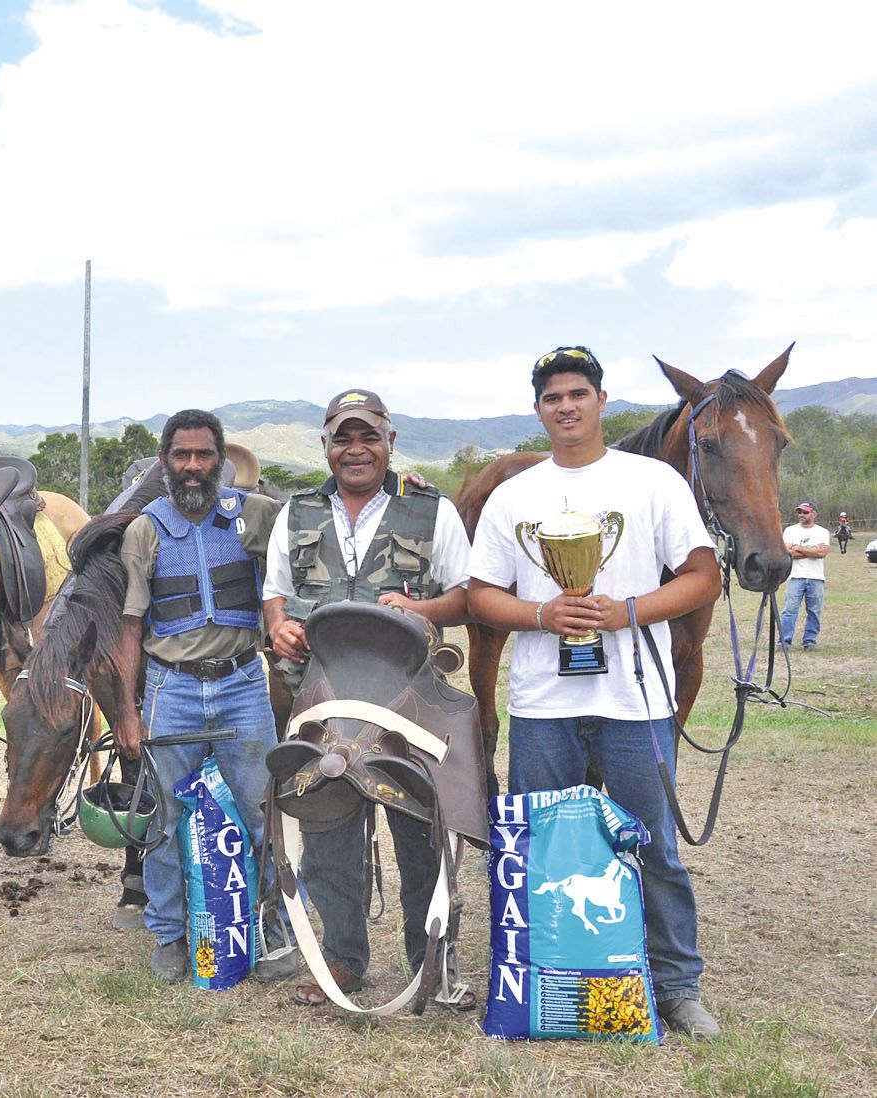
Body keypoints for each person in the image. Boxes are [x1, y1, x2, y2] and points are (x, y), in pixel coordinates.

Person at [466, 346, 723, 1039]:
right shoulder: (513, 497)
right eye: (553, 398)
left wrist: (631, 610)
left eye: (579, 394)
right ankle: (534, 978)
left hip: (636, 701)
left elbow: (704, 576)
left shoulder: (652, 483)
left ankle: (676, 985)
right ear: (539, 411)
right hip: (544, 703)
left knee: (654, 845)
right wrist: (542, 614)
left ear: (602, 401)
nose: (567, 407)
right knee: (539, 846)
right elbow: (483, 594)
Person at [261, 388, 475, 1008]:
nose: (356, 449)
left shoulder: (431, 511)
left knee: (418, 835)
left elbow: (464, 595)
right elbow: (276, 592)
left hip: (407, 707)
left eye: (368, 437)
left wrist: (421, 607)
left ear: (390, 442)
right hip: (324, 704)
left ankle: (427, 961)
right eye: (343, 438)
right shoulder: (296, 513)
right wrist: (279, 625)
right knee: (327, 831)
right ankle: (344, 958)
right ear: (327, 446)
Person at [113, 409, 297, 984]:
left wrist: (399, 484)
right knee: (167, 817)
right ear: (165, 462)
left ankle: (276, 924)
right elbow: (130, 629)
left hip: (243, 684)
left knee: (263, 811)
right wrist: (125, 709)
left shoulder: (255, 515)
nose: (193, 468)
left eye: (204, 456)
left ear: (222, 460)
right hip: (172, 688)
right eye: (181, 456)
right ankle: (168, 932)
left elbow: (319, 521)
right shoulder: (144, 530)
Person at [779, 502, 830, 650]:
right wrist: (812, 550)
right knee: (789, 611)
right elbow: (788, 553)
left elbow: (822, 553)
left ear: (814, 514)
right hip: (795, 577)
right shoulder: (789, 531)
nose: (802, 515)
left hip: (816, 578)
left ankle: (809, 641)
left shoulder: (822, 532)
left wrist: (798, 547)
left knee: (814, 611)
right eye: (799, 512)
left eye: (805, 512)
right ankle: (784, 642)